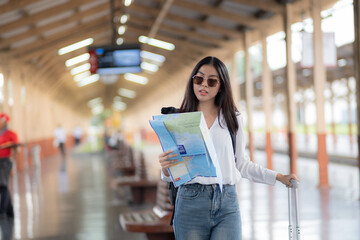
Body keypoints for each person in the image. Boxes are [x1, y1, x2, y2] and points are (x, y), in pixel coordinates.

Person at [158, 56, 299, 240]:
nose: (204, 85)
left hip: (227, 203)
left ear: (221, 86)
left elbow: (242, 164)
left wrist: (279, 177)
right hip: (190, 202)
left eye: (212, 81)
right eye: (199, 79)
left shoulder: (233, 119)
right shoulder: (178, 120)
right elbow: (173, 173)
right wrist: (165, 167)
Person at [0, 113, 18, 218]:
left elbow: (17, 149)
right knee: (3, 185)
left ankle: (2, 210)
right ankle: (10, 211)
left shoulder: (11, 134)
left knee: (2, 185)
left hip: (5, 162)